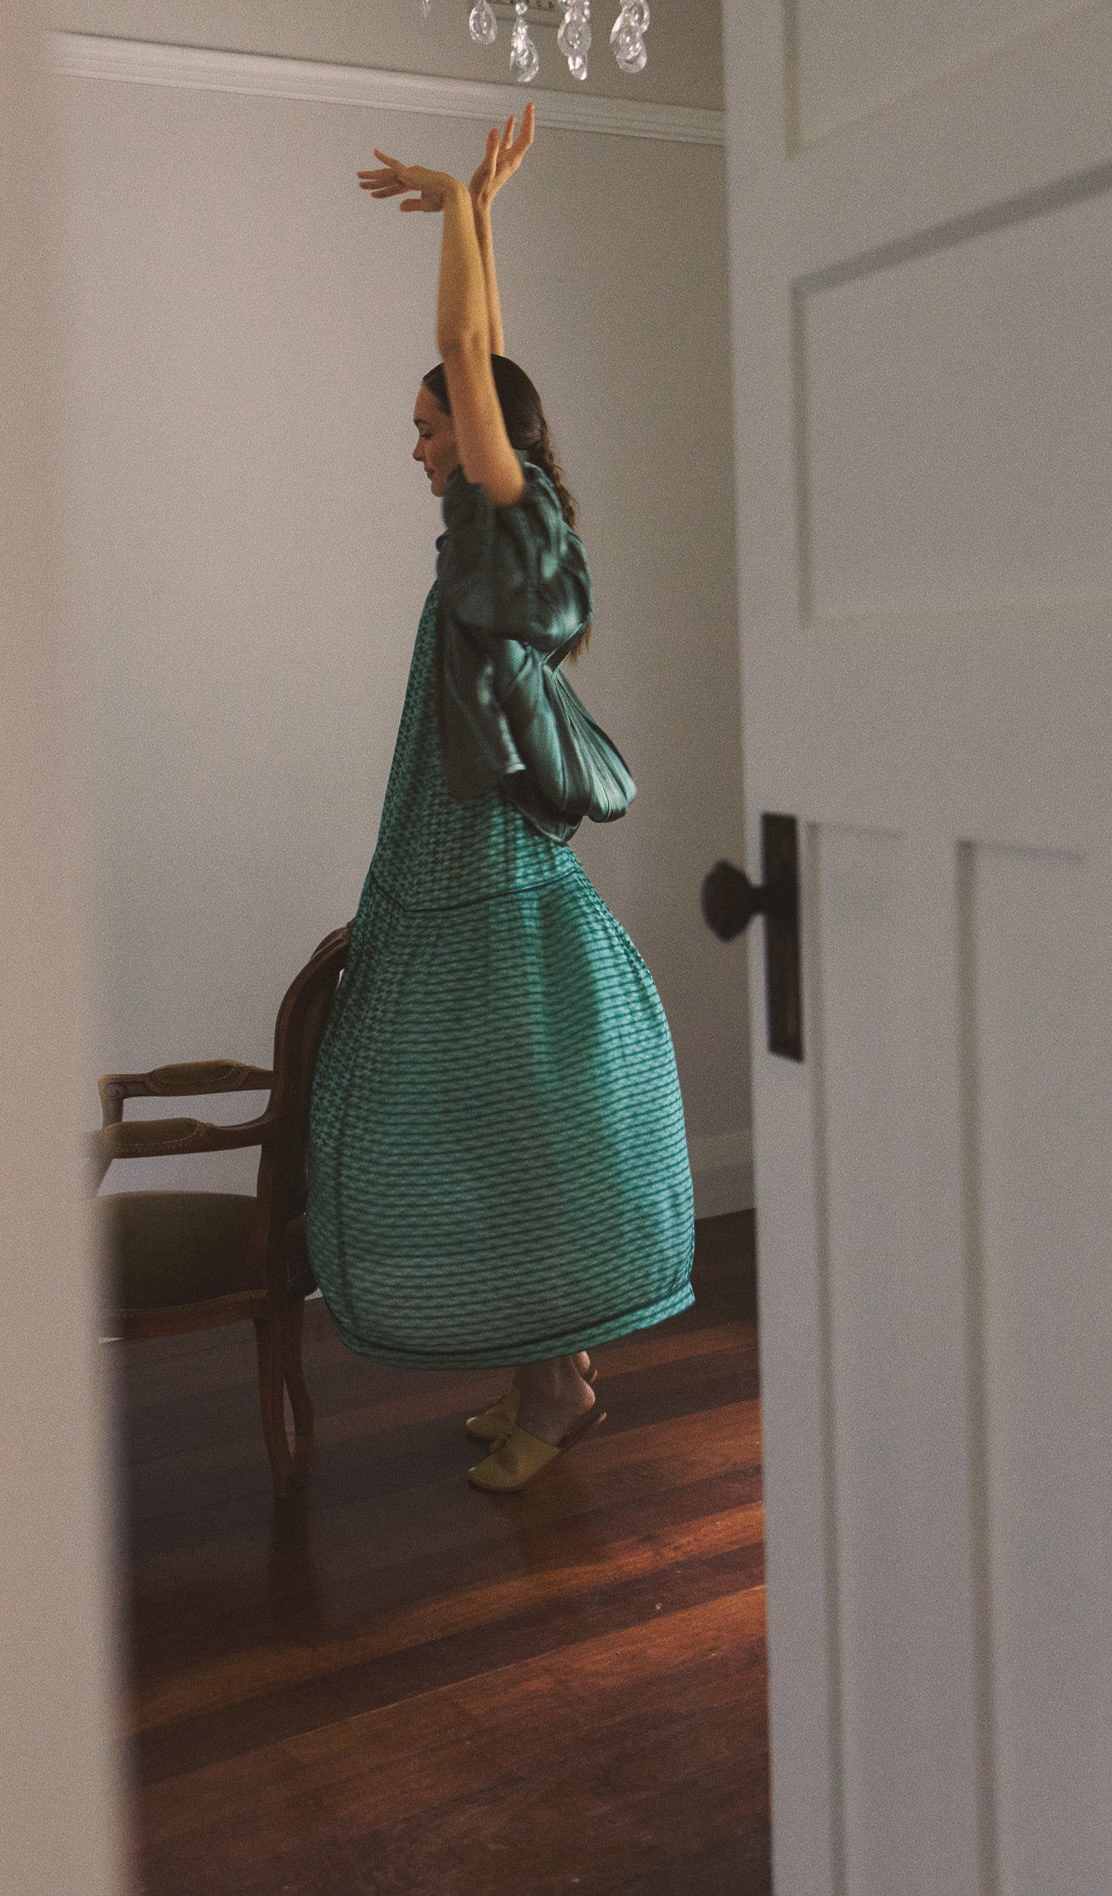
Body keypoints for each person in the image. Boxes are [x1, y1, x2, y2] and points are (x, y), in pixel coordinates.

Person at [306, 105, 696, 1493]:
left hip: (482, 870)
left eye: (430, 428)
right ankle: (558, 1376)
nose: (417, 445)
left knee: (516, 1125)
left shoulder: (504, 528)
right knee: (495, 1118)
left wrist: (464, 214)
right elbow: (488, 358)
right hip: (460, 855)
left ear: (479, 441)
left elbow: (475, 355)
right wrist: (481, 209)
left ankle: (553, 1392)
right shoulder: (500, 535)